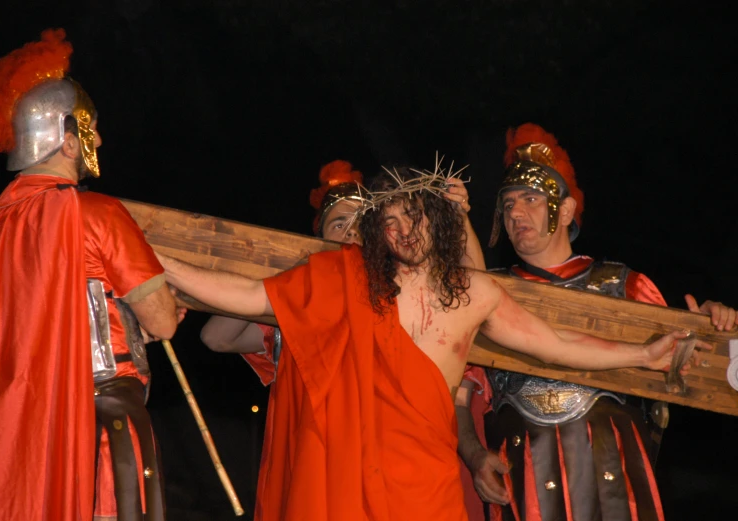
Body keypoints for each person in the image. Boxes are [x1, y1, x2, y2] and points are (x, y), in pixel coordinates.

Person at [156, 161, 701, 521]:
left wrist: (641, 354)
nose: (402, 231)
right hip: (353, 480)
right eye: (388, 222)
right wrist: (159, 265)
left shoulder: (476, 295)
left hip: (427, 485)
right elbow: (248, 296)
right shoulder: (343, 279)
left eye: (412, 215)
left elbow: (553, 346)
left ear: (437, 221)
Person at [456, 123, 734, 521]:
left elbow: (691, 360)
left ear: (565, 209)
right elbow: (460, 392)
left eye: (531, 198)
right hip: (522, 474)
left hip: (613, 471)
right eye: (508, 203)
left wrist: (714, 325)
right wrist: (473, 453)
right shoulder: (489, 293)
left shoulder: (627, 286)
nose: (515, 211)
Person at [0, 30, 179, 521]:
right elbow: (163, 321)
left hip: (4, 435)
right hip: (94, 423)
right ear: (68, 139)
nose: (98, 140)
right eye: (91, 129)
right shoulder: (94, 213)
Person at [199, 159, 482, 519]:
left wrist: (459, 218)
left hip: (381, 466)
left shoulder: (399, 299)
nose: (350, 232)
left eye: (360, 223)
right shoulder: (301, 302)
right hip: (310, 458)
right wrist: (278, 269)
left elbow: (470, 290)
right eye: (338, 223)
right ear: (317, 240)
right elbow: (216, 337)